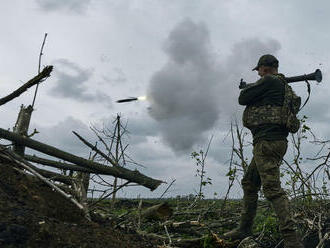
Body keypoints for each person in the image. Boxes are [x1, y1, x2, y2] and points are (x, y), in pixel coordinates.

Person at [224, 54, 304, 248]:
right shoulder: (283, 86)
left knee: (273, 190)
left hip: (267, 142)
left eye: (259, 70)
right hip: (272, 142)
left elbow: (242, 98)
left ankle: (291, 239)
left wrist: (251, 87)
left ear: (264, 68)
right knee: (250, 183)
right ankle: (244, 228)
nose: (258, 73)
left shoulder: (268, 81)